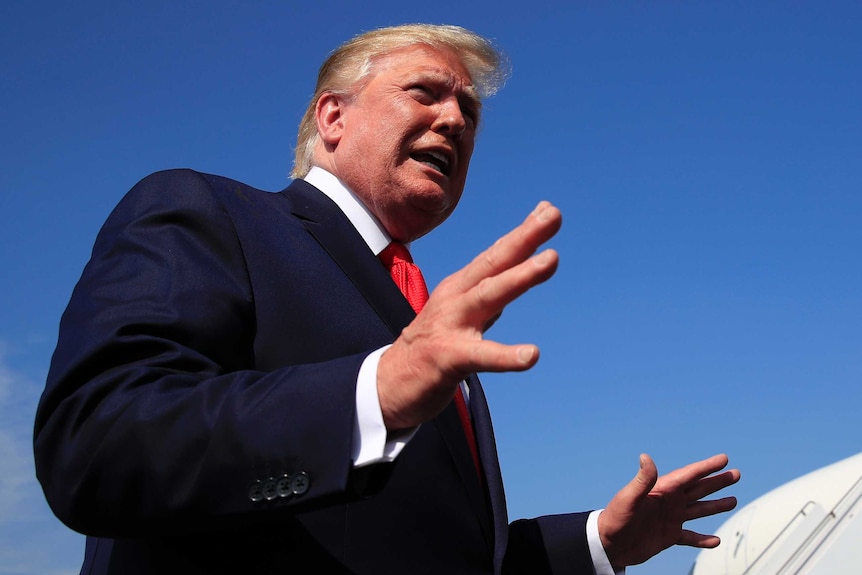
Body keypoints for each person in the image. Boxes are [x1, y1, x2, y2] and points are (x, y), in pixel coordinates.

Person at [34, 24, 739, 575]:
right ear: (333, 116)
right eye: (426, 92)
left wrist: (596, 543)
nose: (456, 120)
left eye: (467, 107)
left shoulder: (426, 323)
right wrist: (373, 394)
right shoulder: (208, 213)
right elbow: (96, 444)